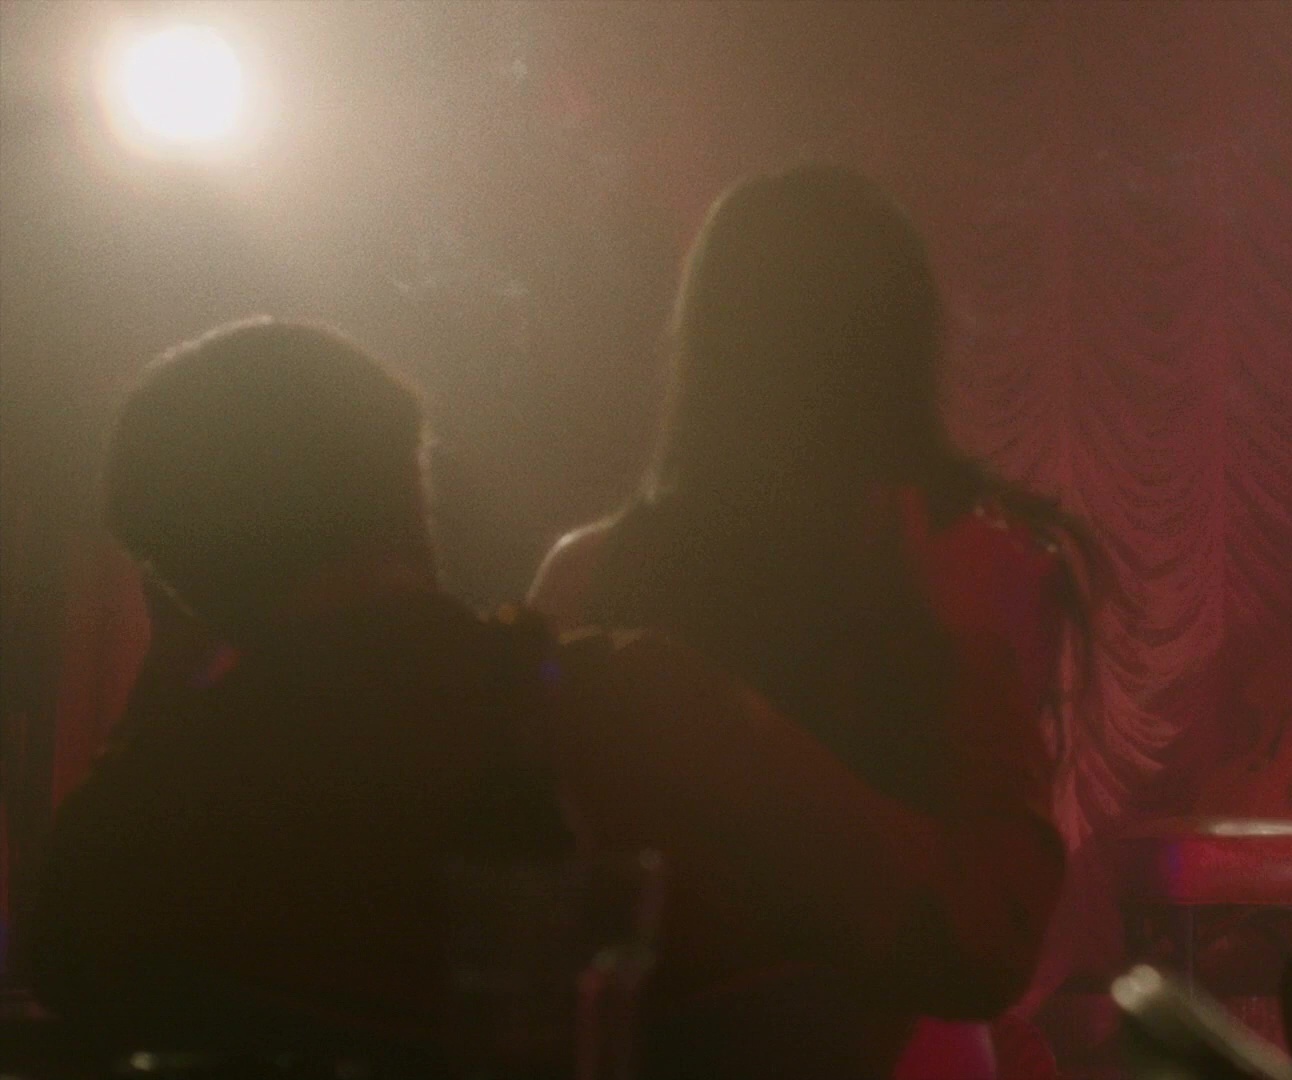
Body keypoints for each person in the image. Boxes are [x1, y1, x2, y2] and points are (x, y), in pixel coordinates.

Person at [529, 164, 1094, 1077]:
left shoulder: (584, 575)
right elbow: (993, 892)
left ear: (709, 340)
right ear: (904, 347)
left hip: (659, 1046)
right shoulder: (976, 558)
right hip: (912, 1032)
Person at [22, 318, 571, 1053]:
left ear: (179, 585)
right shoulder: (618, 711)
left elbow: (60, 963)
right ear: (410, 488)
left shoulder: (135, 829)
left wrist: (160, 700)